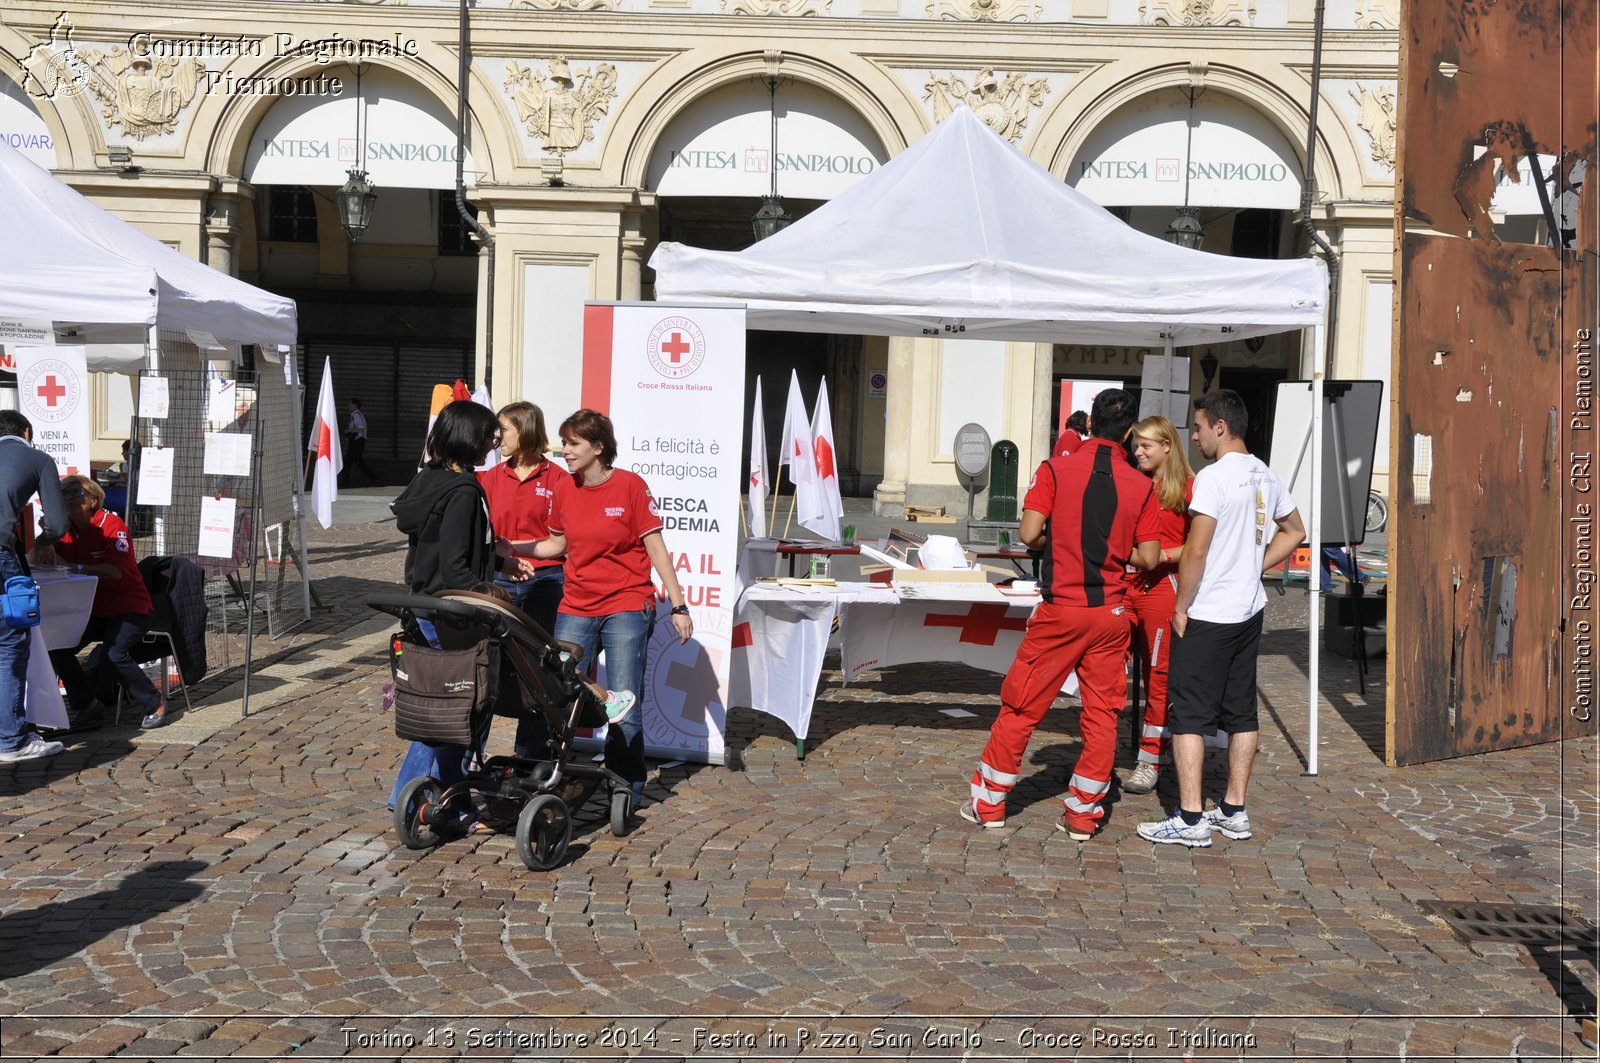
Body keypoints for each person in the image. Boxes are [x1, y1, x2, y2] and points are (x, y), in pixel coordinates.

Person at [384, 401, 635, 813]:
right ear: (470, 437)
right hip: (456, 611)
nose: (494, 441)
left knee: (446, 705)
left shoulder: (428, 480)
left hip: (428, 604)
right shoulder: (465, 488)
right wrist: (488, 590)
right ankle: (445, 801)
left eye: (500, 433)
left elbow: (452, 550)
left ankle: (421, 799)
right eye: (489, 434)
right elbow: (456, 566)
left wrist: (500, 562)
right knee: (467, 704)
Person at [962, 389, 1161, 839]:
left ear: (1088, 423)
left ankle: (990, 804)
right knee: (1102, 714)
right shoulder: (1142, 485)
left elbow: (1030, 534)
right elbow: (1148, 558)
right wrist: (1109, 550)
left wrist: (1069, 541)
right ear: (1130, 434)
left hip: (1062, 611)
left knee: (1022, 704)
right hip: (1110, 614)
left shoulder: (1054, 468)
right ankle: (1084, 815)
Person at [1138, 390, 1304, 848]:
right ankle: (1234, 810)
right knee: (1240, 712)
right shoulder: (1266, 474)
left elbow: (1196, 548)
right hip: (1248, 608)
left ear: (1220, 427)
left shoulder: (1214, 477)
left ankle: (1191, 819)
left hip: (1210, 611)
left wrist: (1180, 605)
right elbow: (1296, 531)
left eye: (1197, 427)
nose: (1193, 436)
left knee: (1188, 715)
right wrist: (1255, 567)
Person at [517, 409, 694, 806]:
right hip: (577, 603)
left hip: (627, 603)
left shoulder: (631, 487)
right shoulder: (565, 489)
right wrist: (514, 548)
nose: (565, 451)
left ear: (599, 447)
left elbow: (656, 549)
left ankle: (624, 781)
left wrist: (679, 606)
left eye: (574, 443)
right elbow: (556, 545)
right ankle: (554, 773)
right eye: (564, 442)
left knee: (624, 699)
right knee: (558, 690)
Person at [32, 475, 163, 730]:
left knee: (114, 653)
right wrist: (42, 541)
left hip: (129, 607)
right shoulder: (64, 529)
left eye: (75, 494)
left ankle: (154, 701)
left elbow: (116, 571)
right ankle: (88, 704)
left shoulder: (111, 525)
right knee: (56, 647)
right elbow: (36, 558)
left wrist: (74, 566)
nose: (68, 499)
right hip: (90, 609)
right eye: (64, 495)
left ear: (94, 500)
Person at [1119, 416, 1195, 796]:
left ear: (1168, 445)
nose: (1138, 452)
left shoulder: (1188, 488)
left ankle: (1151, 759)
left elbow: (1200, 546)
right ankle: (1103, 746)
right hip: (1124, 586)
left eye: (1146, 445)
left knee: (1158, 675)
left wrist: (1161, 555)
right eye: (1135, 445)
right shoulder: (1133, 482)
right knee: (1107, 666)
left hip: (1160, 586)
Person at [0, 410, 68, 763]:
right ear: (26, 432)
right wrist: (41, 540)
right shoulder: (37, 457)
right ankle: (11, 740)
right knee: (10, 644)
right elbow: (58, 523)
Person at [478, 401, 566, 635]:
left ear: (525, 429)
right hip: (499, 576)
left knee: (540, 654)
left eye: (503, 429)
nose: (497, 437)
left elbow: (565, 540)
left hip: (544, 580)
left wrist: (513, 548)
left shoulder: (560, 479)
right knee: (496, 652)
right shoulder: (492, 477)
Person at [341, 398, 376, 488]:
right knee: (350, 462)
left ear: (355, 405)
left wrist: (348, 430)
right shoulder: (356, 415)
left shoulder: (356, 415)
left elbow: (360, 427)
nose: (348, 406)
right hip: (356, 442)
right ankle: (345, 481)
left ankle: (374, 478)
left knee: (355, 462)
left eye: (350, 404)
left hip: (357, 442)